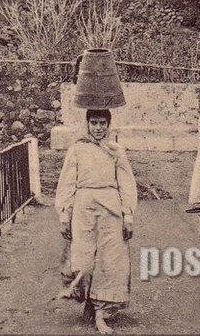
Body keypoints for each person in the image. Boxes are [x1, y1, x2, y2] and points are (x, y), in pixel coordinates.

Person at [55, 109, 137, 334]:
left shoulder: (116, 151)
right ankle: (89, 300)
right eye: (94, 123)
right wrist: (65, 215)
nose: (98, 128)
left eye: (102, 123)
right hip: (84, 207)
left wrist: (127, 216)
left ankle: (102, 313)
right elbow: (67, 183)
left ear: (109, 125)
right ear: (87, 124)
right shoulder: (77, 149)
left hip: (111, 208)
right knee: (83, 260)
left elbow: (127, 184)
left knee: (110, 261)